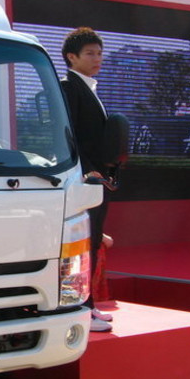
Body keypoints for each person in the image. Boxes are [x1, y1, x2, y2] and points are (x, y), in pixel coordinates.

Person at [60, 27, 114, 333]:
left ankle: (87, 305)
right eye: (90, 53)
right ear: (72, 57)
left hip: (96, 181)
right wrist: (88, 170)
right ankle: (79, 308)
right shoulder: (69, 87)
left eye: (99, 53)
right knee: (80, 248)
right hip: (83, 181)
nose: (97, 58)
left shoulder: (88, 88)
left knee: (91, 244)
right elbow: (68, 136)